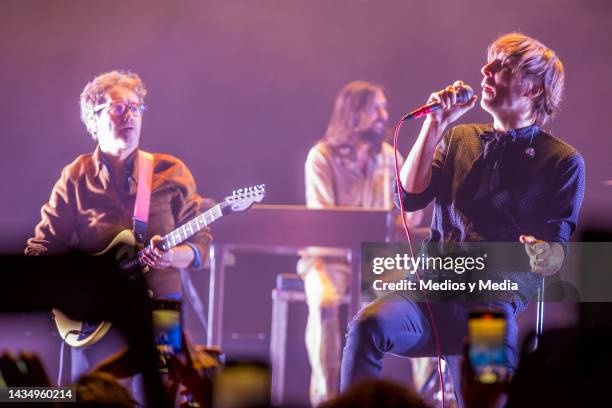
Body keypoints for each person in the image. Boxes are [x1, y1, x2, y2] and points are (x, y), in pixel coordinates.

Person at [340, 33, 585, 407]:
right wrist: (434, 124)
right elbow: (408, 196)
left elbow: (558, 250)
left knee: (486, 392)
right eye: (489, 60)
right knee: (367, 325)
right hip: (426, 294)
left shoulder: (561, 161)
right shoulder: (460, 138)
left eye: (503, 65)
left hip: (489, 304)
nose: (486, 69)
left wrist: (542, 254)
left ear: (534, 88)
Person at [24, 70, 212, 396]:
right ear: (93, 120)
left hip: (161, 311)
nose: (130, 116)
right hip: (94, 317)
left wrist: (171, 256)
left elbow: (201, 247)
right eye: (117, 107)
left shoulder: (171, 172)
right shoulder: (76, 176)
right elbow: (42, 246)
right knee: (93, 399)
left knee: (158, 398)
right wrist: (67, 292)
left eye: (136, 107)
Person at [299, 80, 423, 405]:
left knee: (426, 304)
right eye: (375, 108)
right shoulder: (321, 158)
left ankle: (433, 399)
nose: (384, 115)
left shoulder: (391, 155)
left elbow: (409, 214)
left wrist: (413, 214)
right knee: (324, 301)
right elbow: (325, 224)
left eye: (385, 107)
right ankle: (327, 400)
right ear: (353, 114)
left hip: (378, 263)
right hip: (329, 262)